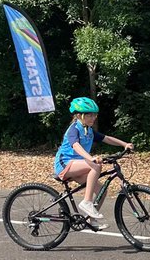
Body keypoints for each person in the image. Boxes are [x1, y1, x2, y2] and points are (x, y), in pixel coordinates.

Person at [53, 97, 134, 229]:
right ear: (79, 115)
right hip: (64, 164)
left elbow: (106, 138)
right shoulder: (74, 129)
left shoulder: (88, 130)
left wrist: (124, 144)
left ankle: (91, 220)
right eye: (89, 115)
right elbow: (75, 145)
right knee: (95, 165)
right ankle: (86, 202)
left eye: (94, 114)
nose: (93, 117)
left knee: (102, 190)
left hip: (78, 164)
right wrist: (90, 158)